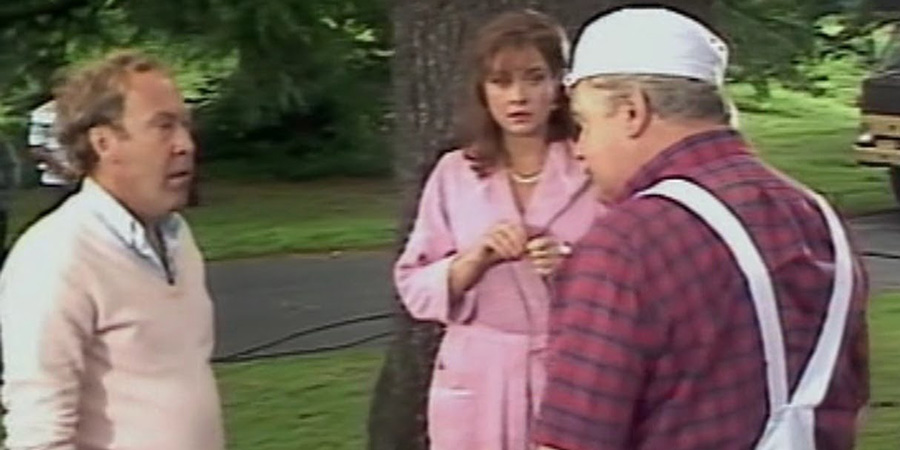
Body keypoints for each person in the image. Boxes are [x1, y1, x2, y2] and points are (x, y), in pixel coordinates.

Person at [534, 7, 869, 450]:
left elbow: (574, 440)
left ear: (633, 112)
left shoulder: (626, 245)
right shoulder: (815, 216)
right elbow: (849, 391)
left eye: (583, 124)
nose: (579, 150)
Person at [394, 9, 601, 450]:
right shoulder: (455, 173)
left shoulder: (595, 167)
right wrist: (470, 262)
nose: (518, 96)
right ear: (482, 91)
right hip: (478, 377)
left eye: (533, 77)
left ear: (559, 87)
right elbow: (412, 283)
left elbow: (631, 271)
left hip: (571, 374)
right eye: (501, 81)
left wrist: (571, 265)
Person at [0, 50, 224, 450]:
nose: (185, 145)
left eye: (185, 126)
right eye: (163, 127)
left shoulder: (177, 237)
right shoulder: (55, 258)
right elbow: (40, 429)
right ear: (104, 142)